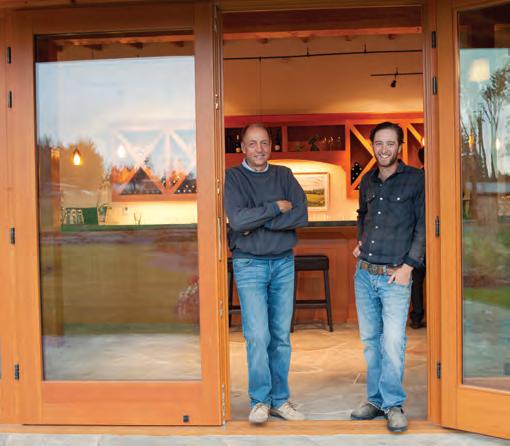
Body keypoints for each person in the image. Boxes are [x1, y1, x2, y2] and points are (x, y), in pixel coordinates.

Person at [225, 123, 308, 424]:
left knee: (281, 337)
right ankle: (260, 400)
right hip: (249, 264)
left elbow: (301, 214)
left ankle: (280, 400)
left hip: (283, 262)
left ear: (270, 146)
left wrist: (258, 222)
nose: (259, 149)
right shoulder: (234, 177)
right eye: (252, 143)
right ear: (243, 147)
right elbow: (237, 221)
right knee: (258, 336)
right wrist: (275, 207)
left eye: (264, 143)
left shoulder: (284, 175)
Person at [351, 122, 425, 433]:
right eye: (379, 143)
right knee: (371, 342)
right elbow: (363, 216)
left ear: (399, 147)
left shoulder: (416, 179)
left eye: (390, 143)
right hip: (365, 273)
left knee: (393, 342)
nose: (384, 149)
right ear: (373, 146)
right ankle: (375, 400)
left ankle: (393, 404)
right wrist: (360, 240)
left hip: (395, 276)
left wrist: (409, 266)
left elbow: (423, 224)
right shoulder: (368, 180)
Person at [410, 146, 426, 329]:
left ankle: (417, 317)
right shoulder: (439, 177)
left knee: (417, 280)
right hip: (427, 235)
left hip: (417, 236)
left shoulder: (415, 178)